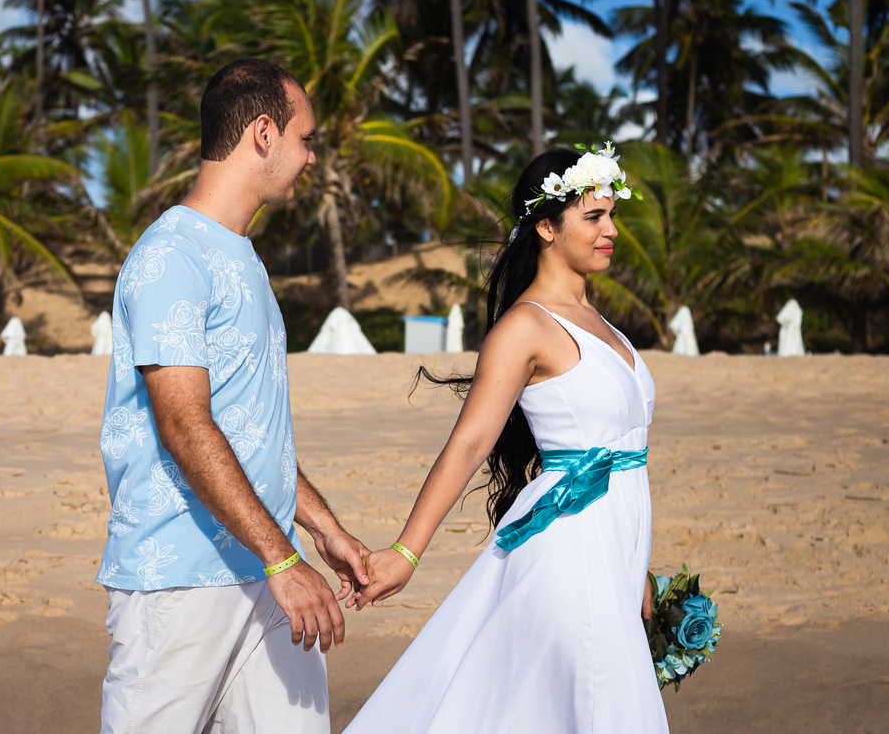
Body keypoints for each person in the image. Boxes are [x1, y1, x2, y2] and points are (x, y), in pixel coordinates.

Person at [344, 147, 670, 733]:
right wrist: (408, 551)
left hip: (614, 548)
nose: (611, 231)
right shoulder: (524, 326)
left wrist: (639, 566)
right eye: (593, 217)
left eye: (612, 215)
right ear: (546, 226)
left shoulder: (603, 322)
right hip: (569, 549)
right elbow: (469, 443)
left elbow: (625, 456)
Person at [96, 58, 370, 734]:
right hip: (182, 581)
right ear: (264, 133)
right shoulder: (171, 258)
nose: (311, 158)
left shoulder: (240, 257)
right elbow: (186, 428)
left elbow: (249, 428)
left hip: (267, 572)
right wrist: (283, 556)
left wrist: (322, 529)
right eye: (307, 139)